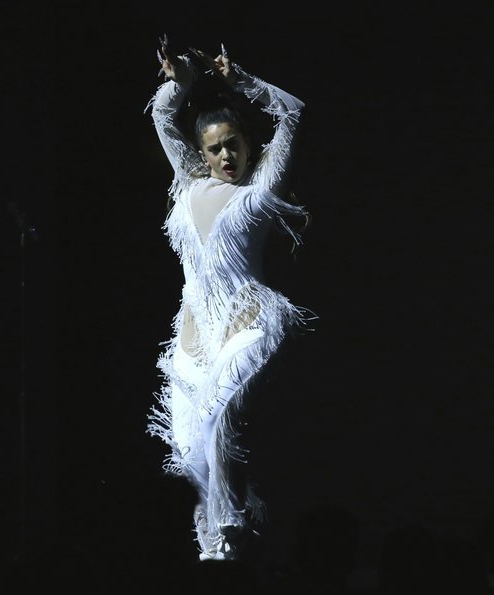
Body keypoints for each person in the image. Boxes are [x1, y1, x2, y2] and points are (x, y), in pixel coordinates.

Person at [145, 37, 314, 561]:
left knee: (223, 432)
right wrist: (184, 81)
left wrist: (242, 81)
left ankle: (231, 543)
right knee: (191, 452)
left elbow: (293, 114)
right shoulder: (188, 183)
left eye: (233, 144)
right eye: (215, 148)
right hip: (196, 337)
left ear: (247, 143)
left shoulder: (258, 191)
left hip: (248, 325)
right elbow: (163, 116)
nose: (225, 155)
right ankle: (217, 551)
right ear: (201, 153)